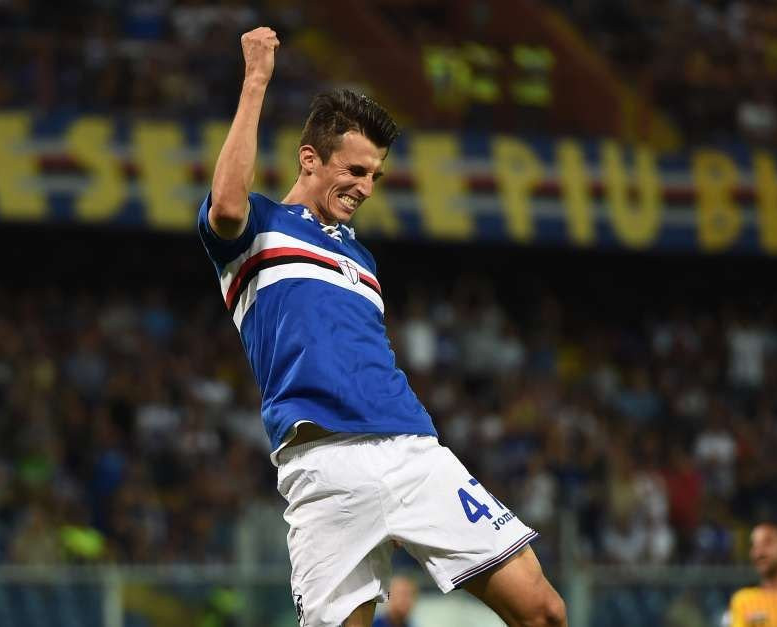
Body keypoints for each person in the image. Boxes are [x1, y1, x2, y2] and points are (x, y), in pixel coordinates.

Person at [197, 27, 566, 627]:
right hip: (323, 467)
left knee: (544, 611)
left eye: (375, 175)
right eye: (354, 170)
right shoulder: (257, 229)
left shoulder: (361, 259)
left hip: (412, 450)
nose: (365, 188)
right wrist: (256, 81)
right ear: (310, 159)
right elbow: (227, 206)